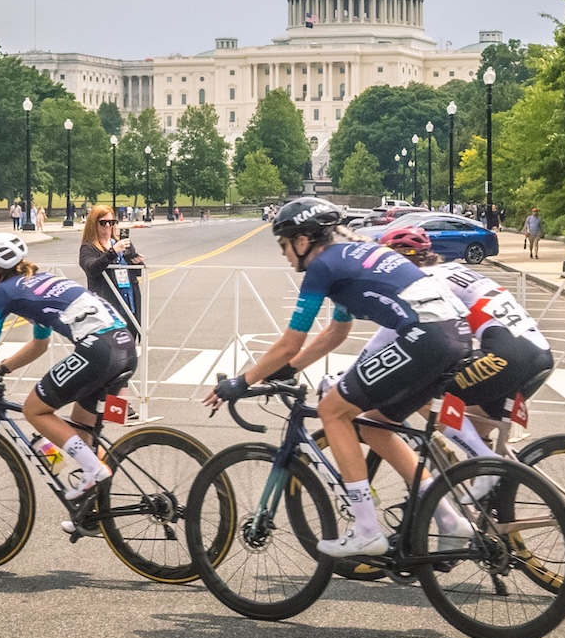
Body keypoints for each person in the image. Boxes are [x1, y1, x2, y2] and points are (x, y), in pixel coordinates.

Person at [202, 199, 472, 559]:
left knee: (333, 411)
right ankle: (449, 519)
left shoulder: (323, 267)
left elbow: (289, 342)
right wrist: (291, 369)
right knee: (375, 426)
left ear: (302, 241)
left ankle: (366, 530)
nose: (284, 254)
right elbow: (336, 332)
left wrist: (242, 381)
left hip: (426, 337)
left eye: (284, 245)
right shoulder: (350, 257)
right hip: (457, 335)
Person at [0, 232, 137, 530]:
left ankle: (95, 471)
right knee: (82, 435)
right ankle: (92, 512)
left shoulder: (4, 292)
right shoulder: (39, 283)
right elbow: (39, 345)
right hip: (124, 347)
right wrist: (2, 368)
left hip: (98, 351)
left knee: (35, 410)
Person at [378, 222, 553, 463]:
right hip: (539, 353)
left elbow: (390, 338)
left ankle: (465, 459)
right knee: (475, 428)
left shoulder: (423, 282)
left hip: (507, 356)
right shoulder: (452, 269)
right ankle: (486, 478)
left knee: (420, 392)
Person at [78, 204, 143, 330]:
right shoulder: (89, 247)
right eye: (103, 223)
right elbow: (91, 269)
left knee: (130, 338)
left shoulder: (121, 243)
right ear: (93, 224)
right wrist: (113, 252)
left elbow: (137, 273)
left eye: (111, 222)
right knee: (112, 340)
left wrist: (137, 262)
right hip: (106, 305)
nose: (108, 226)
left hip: (128, 300)